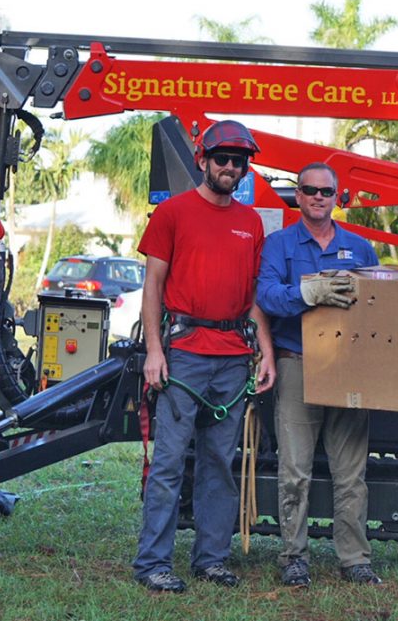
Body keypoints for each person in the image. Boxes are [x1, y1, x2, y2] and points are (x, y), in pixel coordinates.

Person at [133, 119, 276, 593]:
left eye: (239, 161)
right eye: (222, 159)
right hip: (185, 356)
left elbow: (253, 296)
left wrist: (266, 353)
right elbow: (152, 287)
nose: (231, 167)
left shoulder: (251, 222)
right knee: (171, 463)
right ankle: (153, 563)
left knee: (220, 463)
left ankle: (210, 559)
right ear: (203, 160)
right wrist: (155, 352)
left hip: (234, 358)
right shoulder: (172, 213)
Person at [256, 162, 382, 587]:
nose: (317, 197)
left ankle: (355, 558)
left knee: (351, 471)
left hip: (348, 368)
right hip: (297, 362)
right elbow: (266, 296)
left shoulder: (360, 248)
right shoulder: (279, 245)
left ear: (337, 196)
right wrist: (306, 293)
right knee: (295, 469)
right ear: (298, 194)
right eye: (309, 190)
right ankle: (294, 556)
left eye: (325, 191)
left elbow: (378, 304)